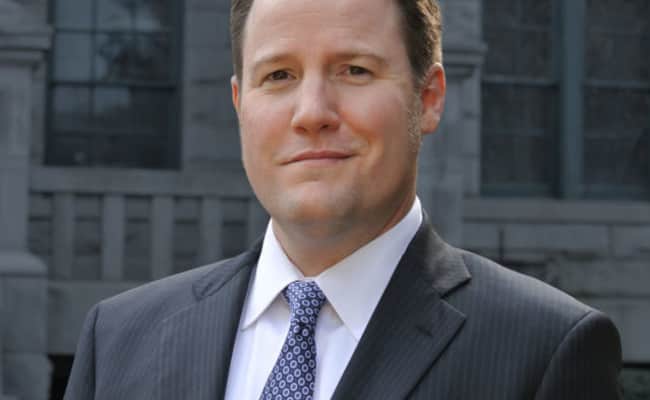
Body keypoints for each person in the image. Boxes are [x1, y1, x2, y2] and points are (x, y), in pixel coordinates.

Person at [64, 0, 622, 398]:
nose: (311, 113)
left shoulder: (546, 351)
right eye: (278, 75)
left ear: (428, 98)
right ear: (239, 105)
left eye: (354, 70)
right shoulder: (117, 341)